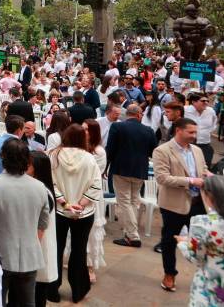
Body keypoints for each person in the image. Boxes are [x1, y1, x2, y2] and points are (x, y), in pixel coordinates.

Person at [0, 138, 50, 306]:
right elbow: (43, 222)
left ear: (3, 157)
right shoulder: (39, 186)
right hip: (30, 254)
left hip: (0, 255)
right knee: (27, 302)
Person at [153, 118, 208, 293]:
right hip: (173, 205)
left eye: (195, 132)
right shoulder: (162, 150)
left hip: (198, 203)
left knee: (203, 241)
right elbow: (162, 178)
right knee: (169, 242)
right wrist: (191, 180)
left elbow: (203, 169)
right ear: (178, 130)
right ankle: (170, 274)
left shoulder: (197, 150)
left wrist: (209, 176)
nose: (194, 135)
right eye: (191, 132)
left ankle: (207, 275)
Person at [50, 124, 102, 303]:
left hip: (60, 210)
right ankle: (78, 291)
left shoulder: (54, 156)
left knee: (56, 250)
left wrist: (65, 203)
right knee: (79, 251)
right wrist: (81, 204)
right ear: (82, 139)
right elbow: (96, 185)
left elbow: (51, 183)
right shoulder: (89, 158)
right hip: (84, 212)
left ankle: (52, 291)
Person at [106, 103, 157, 248]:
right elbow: (153, 151)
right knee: (133, 201)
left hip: (121, 168)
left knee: (125, 202)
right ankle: (129, 232)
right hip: (140, 169)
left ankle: (133, 235)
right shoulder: (148, 130)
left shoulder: (117, 127)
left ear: (126, 114)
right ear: (139, 115)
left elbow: (110, 149)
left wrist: (106, 166)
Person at [177, 175, 224, 306]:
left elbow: (195, 257)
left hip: (208, 286)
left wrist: (182, 243)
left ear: (208, 195)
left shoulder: (202, 223)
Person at [27, 151, 58, 307]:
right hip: (38, 247)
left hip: (39, 247)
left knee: (38, 292)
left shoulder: (43, 192)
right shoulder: (40, 189)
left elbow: (39, 225)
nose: (25, 166)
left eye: (28, 164)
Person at [84, 118, 107, 283]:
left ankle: (90, 265)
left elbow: (95, 175)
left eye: (86, 130)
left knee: (92, 230)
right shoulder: (76, 148)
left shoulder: (99, 151)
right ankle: (78, 260)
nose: (83, 132)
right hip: (75, 192)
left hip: (92, 194)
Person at [185, 92, 218, 167]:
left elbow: (214, 123)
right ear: (193, 102)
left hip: (205, 145)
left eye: (207, 101)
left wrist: (207, 132)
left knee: (205, 168)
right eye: (203, 101)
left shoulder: (210, 111)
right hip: (188, 145)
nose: (206, 103)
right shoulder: (185, 110)